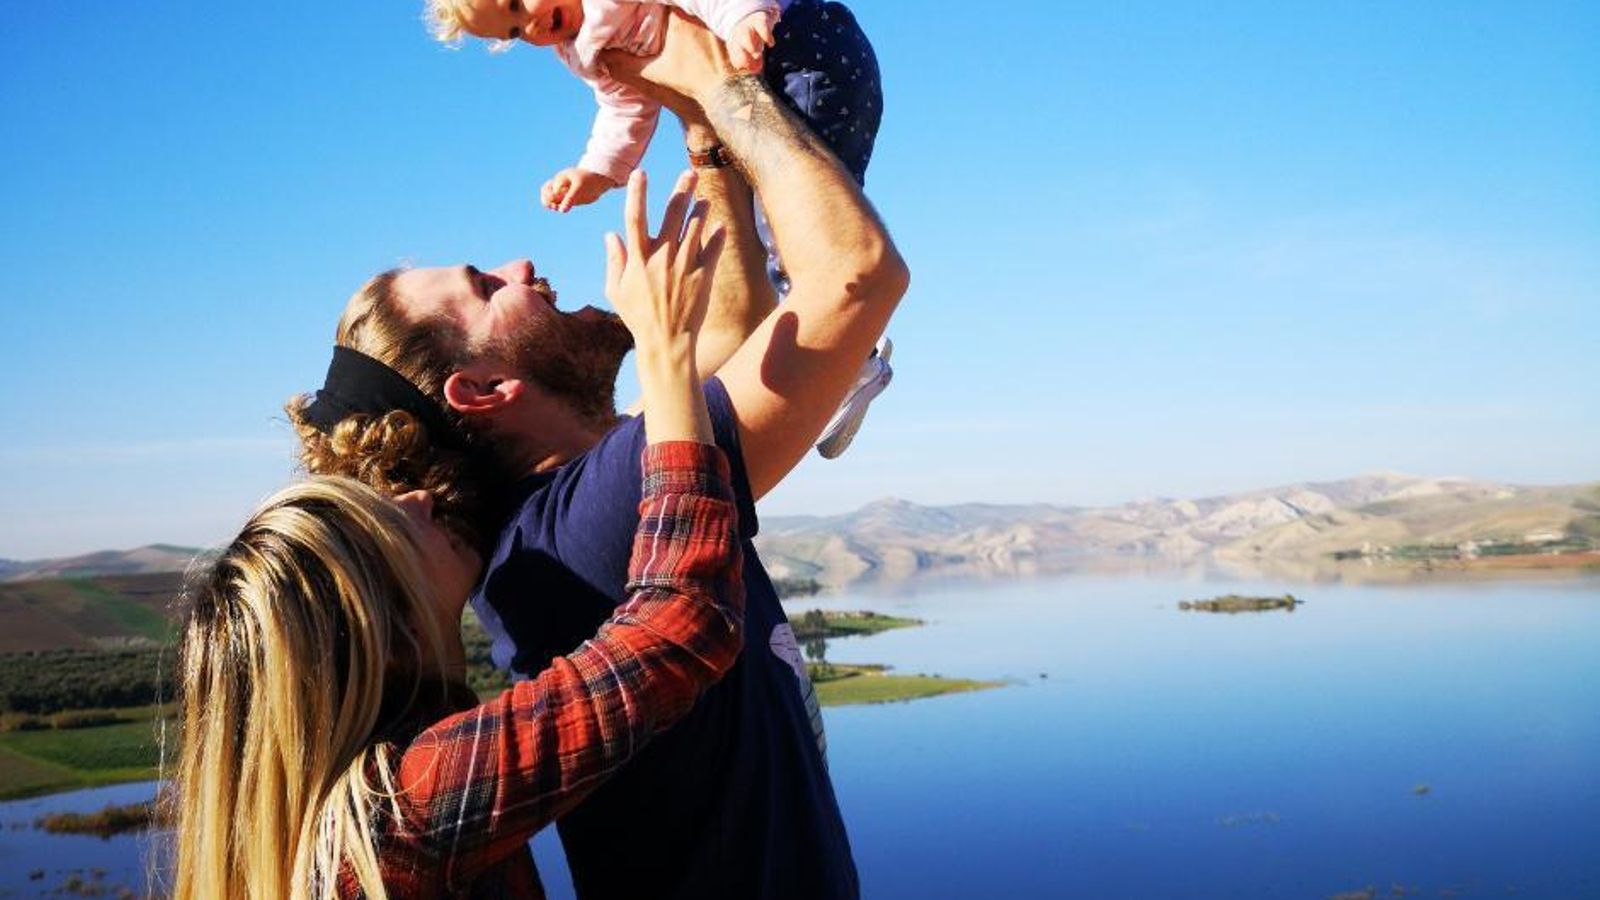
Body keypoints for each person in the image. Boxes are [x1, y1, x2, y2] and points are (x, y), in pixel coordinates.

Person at [292, 14, 908, 898]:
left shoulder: (554, 534)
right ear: (480, 388)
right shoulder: (602, 519)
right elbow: (855, 275)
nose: (521, 265)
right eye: (484, 289)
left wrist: (706, 142)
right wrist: (715, 78)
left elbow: (733, 335)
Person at [169, 181, 743, 899]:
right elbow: (683, 627)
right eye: (384, 527)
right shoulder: (405, 804)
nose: (412, 500)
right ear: (384, 634)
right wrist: (665, 355)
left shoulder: (309, 838)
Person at [425, 0, 894, 457]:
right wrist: (598, 171)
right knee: (775, 220)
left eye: (515, 4)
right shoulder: (583, 48)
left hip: (801, 47)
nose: (528, 26)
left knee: (790, 222)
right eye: (511, 32)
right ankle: (849, 356)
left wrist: (744, 15)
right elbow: (624, 108)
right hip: (760, 80)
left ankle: (846, 357)